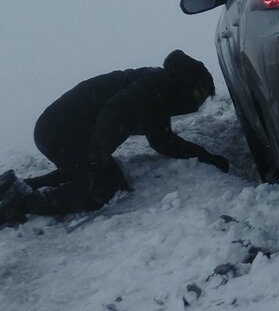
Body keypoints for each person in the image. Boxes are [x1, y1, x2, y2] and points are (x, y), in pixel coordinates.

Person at [0, 50, 229, 226]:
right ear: (186, 82)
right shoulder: (153, 86)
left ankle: (15, 186)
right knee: (104, 190)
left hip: (59, 131)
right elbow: (113, 112)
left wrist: (205, 156)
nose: (198, 103)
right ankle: (22, 203)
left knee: (92, 173)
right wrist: (97, 156)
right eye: (199, 94)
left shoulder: (160, 89)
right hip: (58, 133)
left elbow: (163, 141)